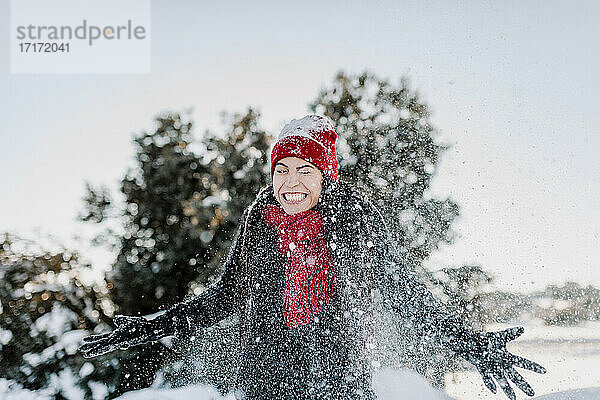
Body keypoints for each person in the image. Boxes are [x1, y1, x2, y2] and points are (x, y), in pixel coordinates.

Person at [79, 115, 546, 400]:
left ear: (326, 176)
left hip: (337, 377)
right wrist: (154, 324)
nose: (291, 181)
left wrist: (466, 343)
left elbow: (401, 291)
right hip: (266, 378)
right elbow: (226, 298)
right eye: (282, 169)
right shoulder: (262, 219)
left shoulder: (352, 216)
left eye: (306, 169)